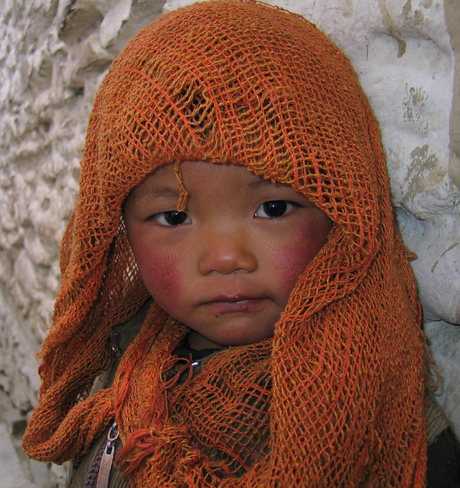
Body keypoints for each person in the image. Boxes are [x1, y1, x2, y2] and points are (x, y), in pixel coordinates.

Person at [22, 1, 460, 486]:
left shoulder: (377, 409)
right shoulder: (130, 354)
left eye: (273, 209)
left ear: (346, 212)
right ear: (119, 229)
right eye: (173, 216)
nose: (226, 257)